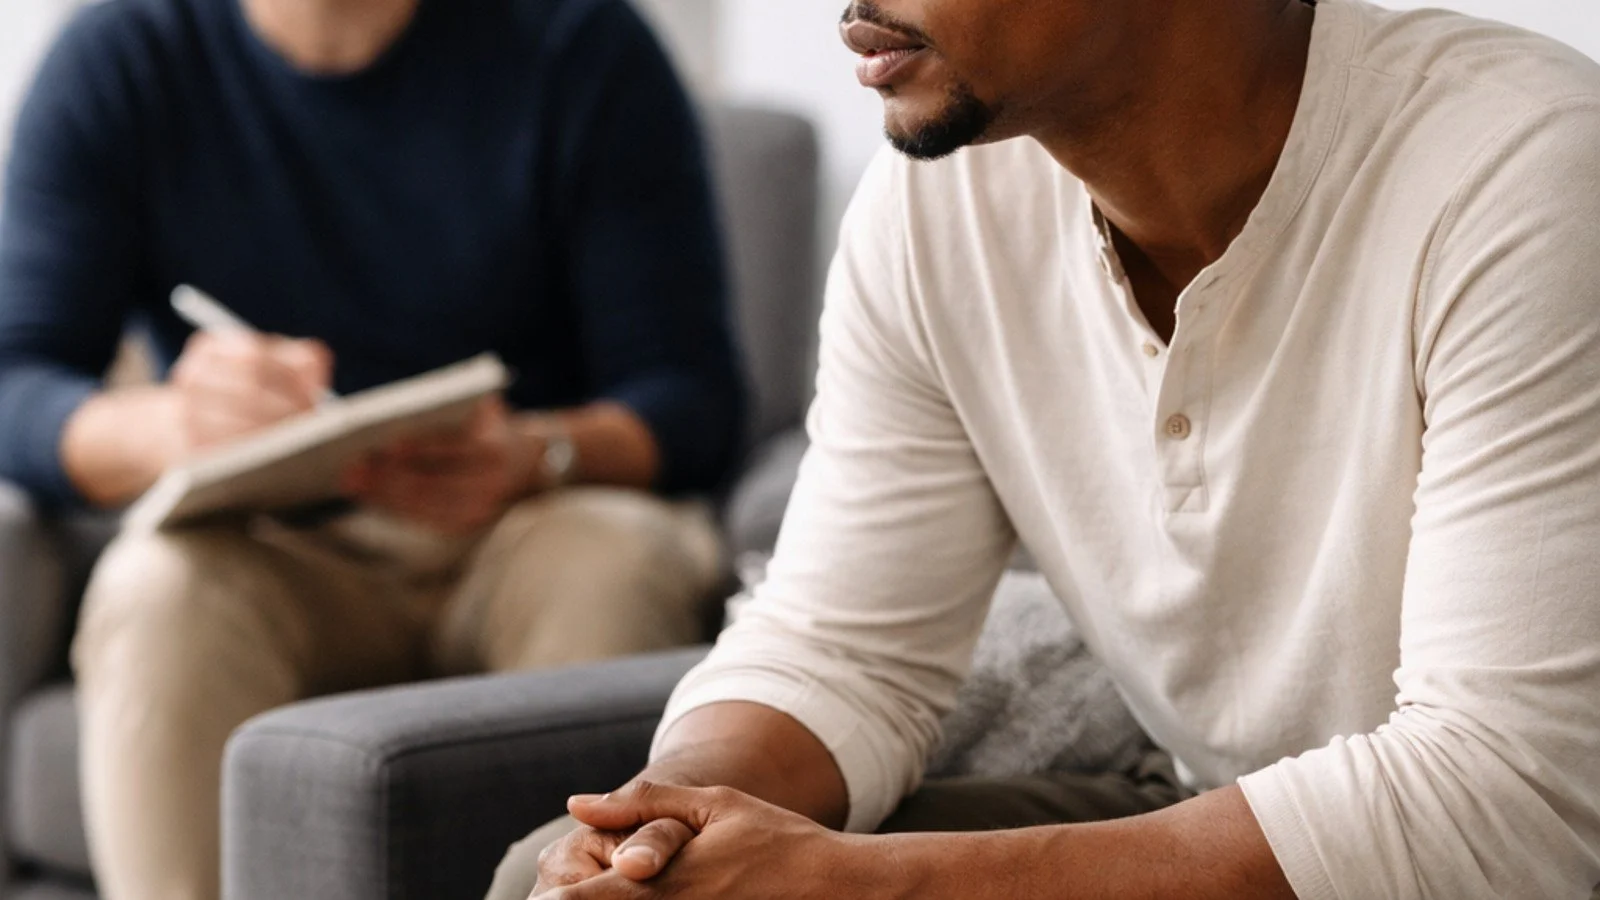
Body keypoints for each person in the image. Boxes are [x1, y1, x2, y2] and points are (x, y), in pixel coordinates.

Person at [490, 0, 1600, 897]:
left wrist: (859, 886)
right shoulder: (933, 208)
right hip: (1216, 811)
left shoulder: (1523, 170)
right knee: (568, 872)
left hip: (1504, 860)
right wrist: (664, 825)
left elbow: (1507, 808)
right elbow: (844, 649)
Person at [0, 0, 745, 897]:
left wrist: (537, 452)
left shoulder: (583, 44)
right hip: (274, 547)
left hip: (530, 519)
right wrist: (169, 427)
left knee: (613, 563)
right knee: (156, 588)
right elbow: (16, 378)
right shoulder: (124, 55)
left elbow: (691, 399)